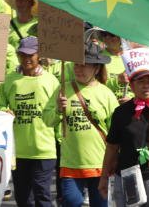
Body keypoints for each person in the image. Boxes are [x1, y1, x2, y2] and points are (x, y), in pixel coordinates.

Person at [43, 41, 118, 207]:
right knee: (72, 201)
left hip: (99, 163)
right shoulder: (63, 88)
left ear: (97, 68)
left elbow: (116, 130)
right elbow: (47, 120)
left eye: (84, 65)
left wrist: (115, 159)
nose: (79, 68)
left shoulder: (106, 94)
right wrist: (57, 109)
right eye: (76, 64)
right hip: (71, 163)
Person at [0, 36, 59, 207]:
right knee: (23, 198)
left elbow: (56, 115)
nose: (27, 58)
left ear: (39, 55)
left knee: (42, 194)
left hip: (44, 149)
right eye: (22, 54)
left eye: (31, 54)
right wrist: (4, 111)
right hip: (18, 151)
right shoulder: (10, 79)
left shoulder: (51, 81)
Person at [99, 47, 149, 206]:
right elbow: (112, 147)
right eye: (141, 81)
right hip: (126, 176)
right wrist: (103, 177)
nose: (146, 85)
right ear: (131, 84)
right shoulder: (121, 112)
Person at [99, 30, 132, 103]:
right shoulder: (98, 57)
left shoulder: (131, 57)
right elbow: (95, 85)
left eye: (111, 34)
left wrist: (131, 100)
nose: (107, 37)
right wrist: (117, 80)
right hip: (107, 104)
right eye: (104, 34)